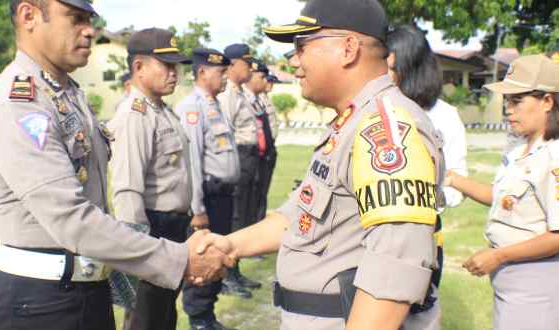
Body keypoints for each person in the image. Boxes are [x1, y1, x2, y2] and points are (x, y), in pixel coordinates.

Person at [0, 2, 233, 330]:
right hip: (38, 304)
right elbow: (71, 219)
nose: (90, 31)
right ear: (30, 16)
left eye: (90, 20)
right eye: (76, 18)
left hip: (80, 289)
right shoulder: (20, 104)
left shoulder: (65, 93)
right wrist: (179, 258)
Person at [203, 0, 447, 329]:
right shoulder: (351, 122)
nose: (294, 61)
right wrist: (229, 244)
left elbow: (396, 268)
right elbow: (299, 218)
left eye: (302, 46)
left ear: (348, 49)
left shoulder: (387, 130)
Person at [444, 54, 559, 330]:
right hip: (511, 276)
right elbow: (502, 199)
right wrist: (451, 179)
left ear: (547, 102)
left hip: (535, 281)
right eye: (507, 101)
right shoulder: (520, 149)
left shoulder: (553, 157)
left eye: (517, 101)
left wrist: (498, 256)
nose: (508, 110)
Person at [108, 27, 196, 330]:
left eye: (176, 66)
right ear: (139, 68)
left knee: (163, 315)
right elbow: (128, 190)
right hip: (150, 232)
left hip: (171, 228)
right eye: (167, 65)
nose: (175, 73)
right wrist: (137, 251)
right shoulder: (135, 116)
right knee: (145, 319)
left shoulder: (162, 111)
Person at [385, 25, 468, 318]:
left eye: (390, 65)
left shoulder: (443, 116)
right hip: (372, 238)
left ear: (408, 66)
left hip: (422, 238)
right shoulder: (376, 109)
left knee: (417, 318)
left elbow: (456, 183)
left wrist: (427, 196)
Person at [176, 48, 240, 330]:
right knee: (203, 257)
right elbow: (192, 162)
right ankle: (199, 320)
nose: (225, 77)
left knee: (218, 257)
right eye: (220, 72)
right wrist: (198, 209)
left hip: (223, 196)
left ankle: (208, 316)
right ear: (202, 72)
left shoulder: (215, 105)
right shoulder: (192, 108)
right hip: (208, 198)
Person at [217, 43, 260, 298]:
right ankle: (228, 276)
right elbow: (226, 134)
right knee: (234, 219)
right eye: (247, 62)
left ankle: (236, 271)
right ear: (233, 65)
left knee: (242, 217)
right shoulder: (227, 95)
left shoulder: (240, 92)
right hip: (238, 158)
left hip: (248, 158)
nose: (251, 67)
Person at [245, 61, 276, 227]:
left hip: (265, 153)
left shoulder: (258, 100)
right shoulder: (240, 98)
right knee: (249, 199)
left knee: (259, 196)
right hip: (250, 156)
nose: (266, 82)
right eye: (262, 77)